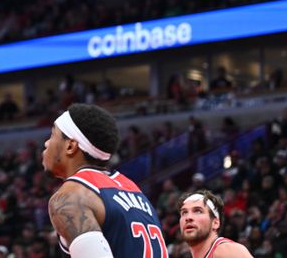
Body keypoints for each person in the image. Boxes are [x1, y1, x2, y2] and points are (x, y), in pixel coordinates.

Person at [42, 103, 166, 257]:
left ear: (70, 146)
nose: (46, 143)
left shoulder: (72, 195)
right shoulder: (132, 188)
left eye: (53, 135)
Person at [178, 189, 253, 257]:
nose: (188, 218)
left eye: (198, 211)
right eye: (184, 212)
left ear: (215, 223)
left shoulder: (226, 251)